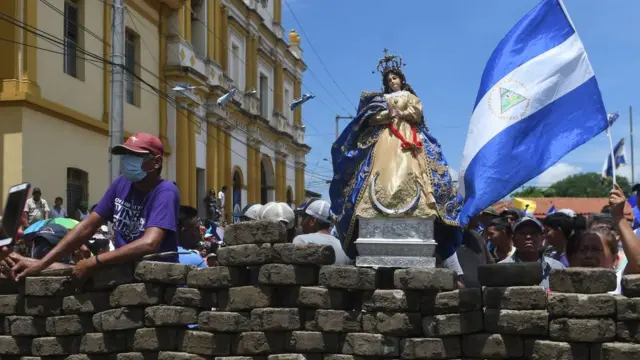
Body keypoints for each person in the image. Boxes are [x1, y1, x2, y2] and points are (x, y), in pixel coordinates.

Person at [329, 50, 462, 265]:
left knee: (414, 170)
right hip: (385, 137)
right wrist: (385, 115)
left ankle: (420, 207)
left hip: (409, 137)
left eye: (395, 78)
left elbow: (417, 112)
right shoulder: (381, 100)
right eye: (389, 80)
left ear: (402, 80)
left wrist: (402, 114)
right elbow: (371, 118)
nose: (392, 82)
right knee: (379, 170)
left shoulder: (410, 97)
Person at [12, 133, 181, 281]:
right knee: (61, 270)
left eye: (135, 156)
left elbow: (149, 243)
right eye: (125, 155)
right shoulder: (122, 184)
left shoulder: (165, 191)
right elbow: (88, 225)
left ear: (156, 162)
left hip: (157, 279)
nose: (127, 160)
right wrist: (42, 263)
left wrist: (96, 261)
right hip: (125, 271)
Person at [499, 216, 565, 290]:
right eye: (522, 233)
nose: (528, 237)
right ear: (513, 240)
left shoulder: (556, 268)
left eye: (534, 233)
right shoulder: (501, 269)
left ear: (542, 239)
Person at [293, 199, 351, 265]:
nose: (301, 223)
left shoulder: (302, 240)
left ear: (313, 221)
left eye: (304, 218)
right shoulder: (343, 246)